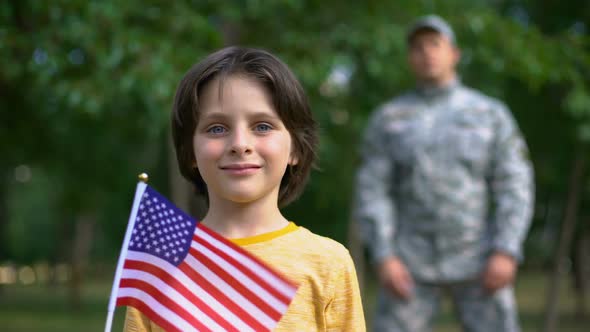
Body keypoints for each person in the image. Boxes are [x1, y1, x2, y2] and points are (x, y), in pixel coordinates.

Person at [124, 46, 366, 331]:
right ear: (190, 151)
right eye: (216, 128)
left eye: (262, 126)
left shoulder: (329, 263)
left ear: (296, 149)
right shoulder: (156, 267)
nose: (240, 143)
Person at [353, 15, 534, 332]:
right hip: (409, 264)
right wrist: (384, 256)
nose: (427, 53)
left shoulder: (490, 115)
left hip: (479, 260)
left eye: (435, 44)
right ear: (410, 58)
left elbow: (514, 184)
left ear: (454, 54)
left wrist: (506, 250)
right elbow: (372, 190)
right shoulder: (389, 119)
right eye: (418, 47)